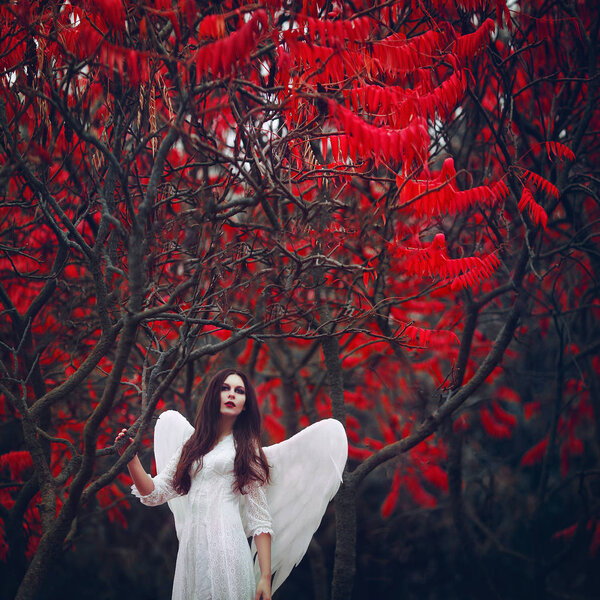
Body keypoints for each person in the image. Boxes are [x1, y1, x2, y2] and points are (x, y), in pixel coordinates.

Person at [116, 368, 273, 600]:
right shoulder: (192, 446)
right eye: (225, 388)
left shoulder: (247, 449)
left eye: (239, 391)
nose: (231, 394)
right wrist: (130, 458)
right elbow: (153, 493)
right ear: (213, 396)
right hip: (192, 552)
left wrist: (265, 578)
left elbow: (259, 518)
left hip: (227, 550)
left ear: (245, 404)